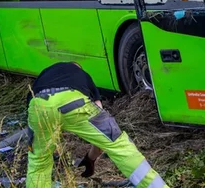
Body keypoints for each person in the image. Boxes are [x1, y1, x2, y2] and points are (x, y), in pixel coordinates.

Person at [26, 61, 168, 188]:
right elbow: (100, 118)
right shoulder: (82, 75)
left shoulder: (45, 74)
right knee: (119, 146)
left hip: (38, 106)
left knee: (38, 161)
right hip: (73, 101)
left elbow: (30, 110)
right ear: (78, 68)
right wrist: (90, 158)